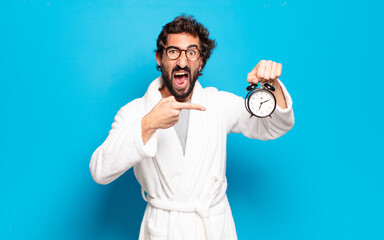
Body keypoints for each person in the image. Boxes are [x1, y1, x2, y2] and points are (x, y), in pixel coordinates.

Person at [90, 15, 294, 240]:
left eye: (192, 52)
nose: (182, 61)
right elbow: (100, 171)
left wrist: (270, 85)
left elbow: (274, 125)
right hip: (163, 231)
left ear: (201, 61)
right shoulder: (134, 112)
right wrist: (148, 124)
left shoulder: (218, 104)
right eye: (173, 51)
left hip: (213, 229)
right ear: (160, 58)